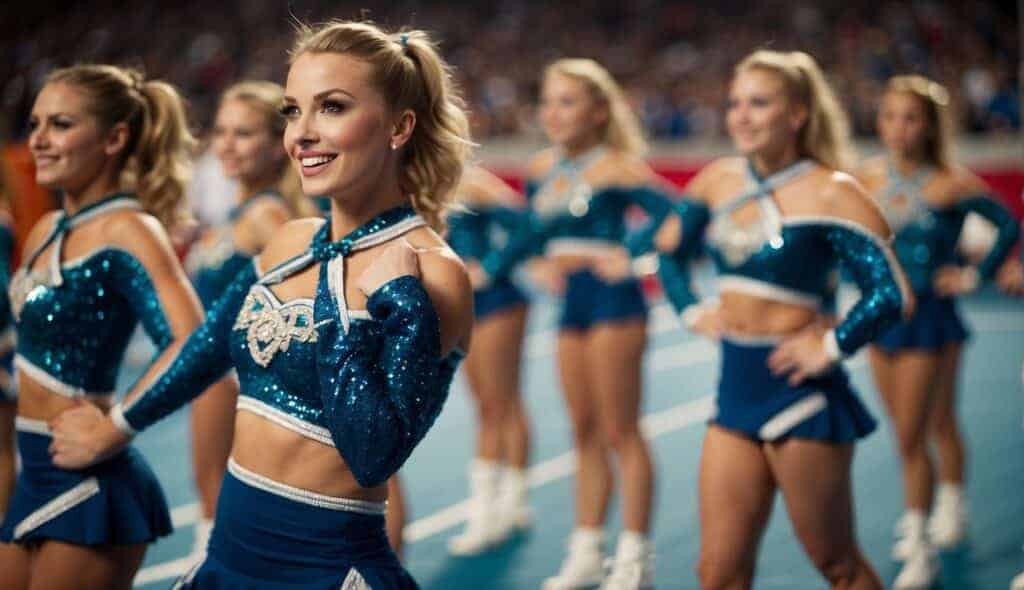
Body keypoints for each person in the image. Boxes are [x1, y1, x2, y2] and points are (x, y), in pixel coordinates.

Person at [46, 21, 474, 589]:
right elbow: (208, 344)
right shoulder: (290, 240)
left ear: (400, 126)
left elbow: (374, 452)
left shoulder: (432, 272)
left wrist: (392, 299)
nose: (302, 134)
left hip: (323, 570)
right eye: (293, 112)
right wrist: (119, 425)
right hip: (228, 555)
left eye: (332, 107)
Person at [621, 50, 913, 590]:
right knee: (718, 572)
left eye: (759, 103)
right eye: (735, 103)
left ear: (797, 113)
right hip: (735, 389)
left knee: (838, 566)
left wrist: (831, 346)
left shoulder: (834, 190)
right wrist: (691, 310)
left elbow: (891, 295)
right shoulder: (717, 181)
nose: (742, 116)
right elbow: (668, 253)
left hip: (799, 394)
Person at [0, 64, 202, 590]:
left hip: (89, 484)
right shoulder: (47, 227)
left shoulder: (129, 229)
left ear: (114, 138)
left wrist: (117, 426)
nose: (38, 139)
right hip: (34, 474)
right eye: (36, 122)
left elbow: (192, 342)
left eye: (61, 125)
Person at [480, 58, 676, 590]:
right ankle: (587, 549)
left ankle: (634, 558)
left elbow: (675, 217)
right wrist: (521, 264)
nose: (553, 113)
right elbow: (528, 234)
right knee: (583, 431)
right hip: (571, 307)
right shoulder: (542, 167)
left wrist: (633, 255)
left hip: (615, 302)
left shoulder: (618, 166)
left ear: (597, 111)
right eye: (547, 102)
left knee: (621, 429)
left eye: (567, 102)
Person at [854, 74, 1020, 589]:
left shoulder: (952, 181)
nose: (898, 128)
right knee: (926, 425)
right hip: (883, 318)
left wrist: (975, 274)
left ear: (928, 126)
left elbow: (1009, 225)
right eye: (889, 117)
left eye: (910, 118)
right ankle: (943, 502)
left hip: (930, 318)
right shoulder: (864, 178)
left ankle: (923, 538)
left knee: (916, 432)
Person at [184, 79, 308, 556]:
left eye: (244, 133)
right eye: (221, 131)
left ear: (277, 145)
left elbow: (304, 302)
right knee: (214, 491)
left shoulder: (266, 216)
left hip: (233, 375)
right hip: (215, 371)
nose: (226, 145)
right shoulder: (240, 211)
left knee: (219, 493)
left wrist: (249, 368)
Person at [446, 165, 533, 555]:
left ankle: (493, 509)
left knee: (497, 405)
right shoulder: (406, 181)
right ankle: (512, 500)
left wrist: (493, 267)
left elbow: (528, 225)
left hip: (495, 302)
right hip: (456, 305)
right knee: (492, 403)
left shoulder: (472, 182)